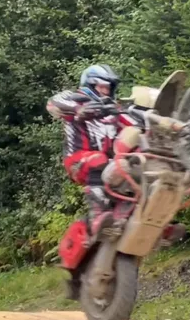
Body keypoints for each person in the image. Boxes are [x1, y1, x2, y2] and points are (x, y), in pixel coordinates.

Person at [45, 64, 142, 239]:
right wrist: (79, 110)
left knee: (137, 164)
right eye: (102, 86)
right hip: (77, 161)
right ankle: (97, 216)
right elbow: (52, 104)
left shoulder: (113, 110)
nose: (106, 91)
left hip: (110, 163)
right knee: (98, 159)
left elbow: (134, 125)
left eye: (108, 87)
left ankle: (129, 219)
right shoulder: (76, 99)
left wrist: (148, 123)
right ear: (90, 85)